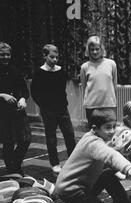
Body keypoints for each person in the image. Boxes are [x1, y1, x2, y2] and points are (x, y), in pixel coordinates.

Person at [31, 44, 76, 174]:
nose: (55, 60)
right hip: (48, 110)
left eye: (56, 57)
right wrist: (44, 106)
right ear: (45, 56)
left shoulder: (60, 71)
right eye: (52, 57)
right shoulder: (39, 72)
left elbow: (62, 89)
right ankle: (54, 163)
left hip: (62, 108)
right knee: (51, 137)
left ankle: (73, 160)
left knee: (69, 134)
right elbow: (35, 92)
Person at [0, 42, 31, 175]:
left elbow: (24, 90)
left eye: (8, 54)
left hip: (17, 110)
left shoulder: (15, 70)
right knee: (8, 142)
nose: (6, 57)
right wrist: (2, 95)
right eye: (2, 54)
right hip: (3, 111)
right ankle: (12, 170)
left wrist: (23, 98)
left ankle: (15, 164)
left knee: (25, 139)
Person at [80, 36, 117, 124]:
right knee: (94, 132)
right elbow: (85, 88)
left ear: (102, 49)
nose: (95, 52)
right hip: (92, 106)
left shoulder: (111, 64)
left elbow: (114, 85)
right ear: (88, 50)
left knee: (109, 131)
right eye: (92, 49)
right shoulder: (84, 67)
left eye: (97, 49)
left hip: (109, 104)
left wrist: (113, 103)